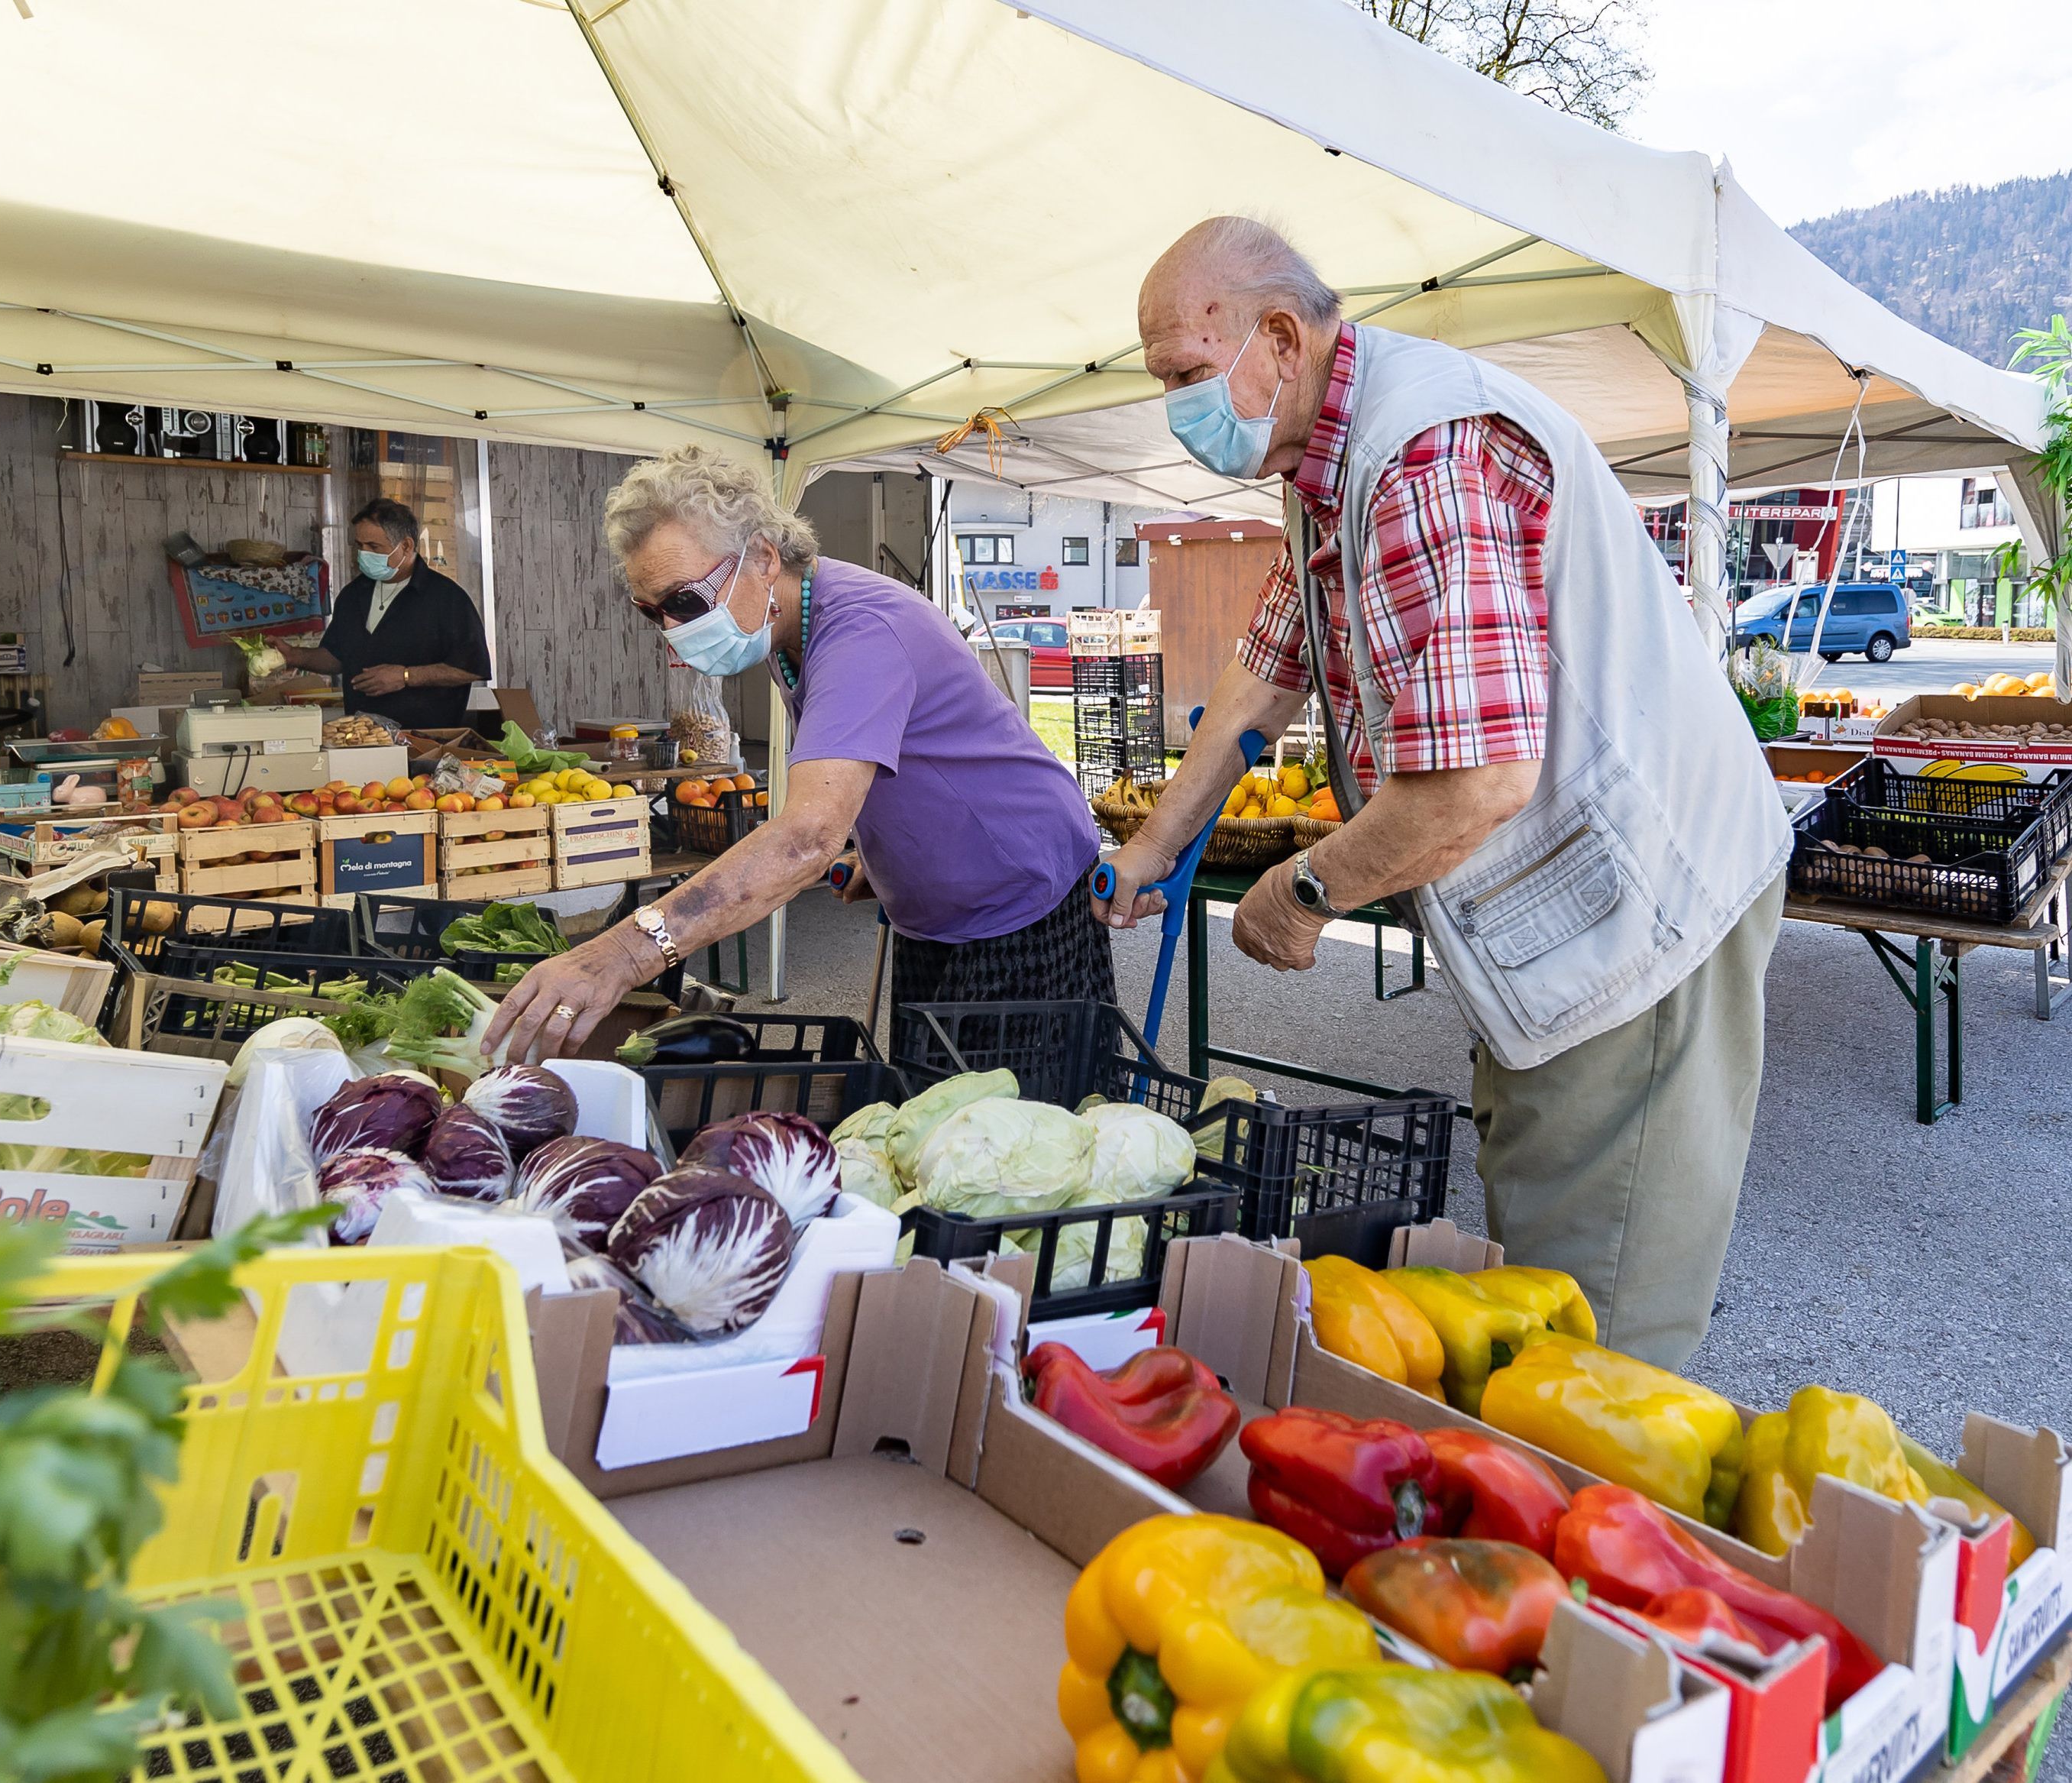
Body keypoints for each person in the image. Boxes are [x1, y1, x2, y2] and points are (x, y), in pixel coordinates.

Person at [1098, 216, 1791, 1369]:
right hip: (1574, 903)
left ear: (1277, 334)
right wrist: (1159, 838)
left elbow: (1477, 782)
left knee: (1595, 1316)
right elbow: (1269, 660)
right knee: (1537, 1198)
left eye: (1182, 373)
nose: (1174, 403)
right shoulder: (1327, 459)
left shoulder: (1422, 451)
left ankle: (1599, 1521)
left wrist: (1305, 888)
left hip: (1638, 912)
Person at [486, 445, 1109, 1061]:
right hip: (936, 906)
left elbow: (805, 838)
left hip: (1021, 893)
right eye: (652, 612)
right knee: (929, 1104)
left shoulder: (862, 630)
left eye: (685, 601)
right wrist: (891, 847)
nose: (672, 628)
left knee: (1003, 1130)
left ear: (762, 556)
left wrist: (623, 953)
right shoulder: (793, 623)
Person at [276, 497, 491, 730]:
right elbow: (338, 657)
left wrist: (405, 676)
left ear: (406, 546)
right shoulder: (353, 595)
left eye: (374, 547)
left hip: (426, 742)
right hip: (361, 739)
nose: (364, 554)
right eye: (360, 546)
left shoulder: (447, 598)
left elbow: (470, 667)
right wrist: (295, 656)